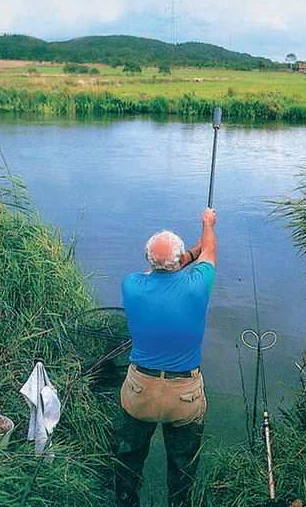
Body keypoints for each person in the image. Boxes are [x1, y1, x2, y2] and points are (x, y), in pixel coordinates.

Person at [115, 207, 217, 507]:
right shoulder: (197, 285)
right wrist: (206, 225)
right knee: (182, 468)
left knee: (128, 460)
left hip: (139, 392)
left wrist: (187, 255)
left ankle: (126, 501)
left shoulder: (131, 285)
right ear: (178, 264)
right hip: (184, 396)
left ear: (149, 260)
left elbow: (159, 269)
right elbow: (210, 252)